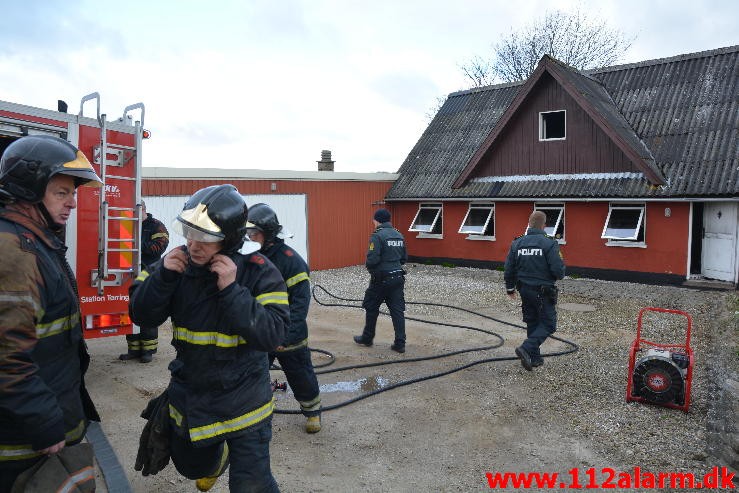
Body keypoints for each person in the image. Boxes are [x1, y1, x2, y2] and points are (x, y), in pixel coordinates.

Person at [129, 184, 288, 492]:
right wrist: (163, 277)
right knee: (192, 468)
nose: (194, 244)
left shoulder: (258, 272)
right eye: (190, 233)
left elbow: (272, 335)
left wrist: (232, 291)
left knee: (252, 485)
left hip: (244, 403)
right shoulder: (173, 265)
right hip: (192, 395)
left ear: (228, 240)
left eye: (206, 238)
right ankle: (218, 455)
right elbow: (142, 316)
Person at [0, 135, 102, 490]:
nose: (73, 202)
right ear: (30, 191)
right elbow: (6, 354)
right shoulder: (15, 253)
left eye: (73, 193)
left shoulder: (36, 240)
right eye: (62, 192)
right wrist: (42, 419)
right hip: (22, 442)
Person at [246, 203, 322, 434]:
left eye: (254, 233)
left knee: (300, 374)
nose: (249, 237)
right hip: (261, 331)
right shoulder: (251, 257)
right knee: (254, 375)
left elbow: (300, 305)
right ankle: (254, 416)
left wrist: (284, 335)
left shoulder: (291, 261)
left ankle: (312, 413)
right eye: (248, 233)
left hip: (288, 335)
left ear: (268, 234)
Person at [504, 210, 566, 371]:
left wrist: (510, 288)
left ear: (529, 224)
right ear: (544, 226)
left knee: (532, 321)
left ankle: (534, 358)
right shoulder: (550, 243)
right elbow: (559, 272)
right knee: (549, 324)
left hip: (524, 290)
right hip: (543, 292)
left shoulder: (517, 243)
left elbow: (509, 268)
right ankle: (526, 348)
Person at [119, 200, 169, 363]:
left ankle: (148, 350)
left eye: (135, 212)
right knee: (130, 310)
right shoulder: (128, 224)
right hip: (130, 274)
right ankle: (133, 349)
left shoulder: (156, 226)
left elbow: (159, 247)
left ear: (143, 210)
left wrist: (136, 246)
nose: (132, 215)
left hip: (149, 274)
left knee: (147, 309)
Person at [353, 208, 408, 353]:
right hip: (397, 278)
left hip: (381, 279)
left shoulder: (377, 236)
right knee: (397, 311)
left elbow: (372, 259)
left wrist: (371, 268)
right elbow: (404, 258)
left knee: (371, 306)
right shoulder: (399, 235)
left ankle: (367, 337)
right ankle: (400, 344)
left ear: (376, 220)